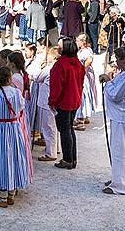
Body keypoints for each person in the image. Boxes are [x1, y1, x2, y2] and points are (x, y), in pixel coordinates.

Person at [0, 67, 32, 207]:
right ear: (9, 78)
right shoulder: (16, 92)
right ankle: (11, 192)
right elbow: (21, 106)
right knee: (13, 158)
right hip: (14, 128)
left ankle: (2, 196)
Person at [100, 46, 125, 195]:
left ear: (124, 59)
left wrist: (108, 80)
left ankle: (121, 186)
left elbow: (116, 95)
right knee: (119, 149)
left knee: (120, 150)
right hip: (119, 116)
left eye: (118, 59)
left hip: (122, 116)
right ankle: (120, 178)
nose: (116, 62)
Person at [49, 37, 85, 170]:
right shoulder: (78, 63)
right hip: (74, 99)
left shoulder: (61, 64)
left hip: (64, 101)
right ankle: (72, 158)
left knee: (64, 130)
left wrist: (52, 101)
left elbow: (57, 85)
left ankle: (67, 159)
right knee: (69, 129)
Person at [32, 46, 59, 161]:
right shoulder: (55, 67)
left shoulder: (49, 68)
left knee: (48, 127)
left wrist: (41, 67)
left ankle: (51, 152)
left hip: (46, 99)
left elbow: (37, 77)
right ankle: (55, 148)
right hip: (50, 98)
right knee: (53, 126)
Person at [74, 34, 97, 129]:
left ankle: (82, 116)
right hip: (83, 74)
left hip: (84, 74)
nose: (76, 42)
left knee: (84, 94)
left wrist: (82, 69)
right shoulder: (81, 51)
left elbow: (89, 60)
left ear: (83, 42)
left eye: (78, 40)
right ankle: (84, 115)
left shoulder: (87, 51)